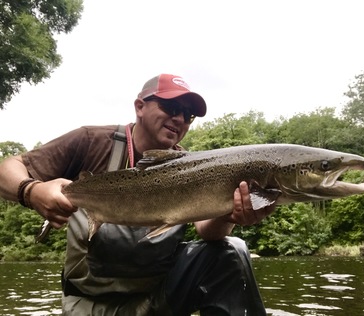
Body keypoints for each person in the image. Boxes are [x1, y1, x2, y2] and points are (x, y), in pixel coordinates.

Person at [0, 74, 276, 315]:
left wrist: (231, 215)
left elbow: (208, 233)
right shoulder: (91, 142)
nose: (179, 118)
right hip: (89, 304)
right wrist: (32, 191)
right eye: (171, 106)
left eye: (188, 115)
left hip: (159, 297)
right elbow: (7, 169)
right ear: (139, 106)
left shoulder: (193, 165)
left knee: (233, 250)